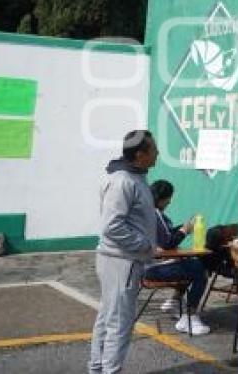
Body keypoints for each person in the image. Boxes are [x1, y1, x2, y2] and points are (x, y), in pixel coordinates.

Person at [89, 130, 158, 374]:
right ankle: (108, 370)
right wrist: (144, 245)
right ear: (140, 155)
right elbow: (112, 226)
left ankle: (98, 368)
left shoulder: (134, 177)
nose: (157, 153)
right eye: (153, 149)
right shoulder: (123, 182)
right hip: (121, 262)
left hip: (118, 261)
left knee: (108, 318)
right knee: (118, 324)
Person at [144, 180, 210, 335]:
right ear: (161, 198)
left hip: (144, 266)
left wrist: (182, 227)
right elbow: (168, 243)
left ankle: (174, 301)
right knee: (199, 270)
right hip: (152, 268)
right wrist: (185, 231)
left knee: (190, 265)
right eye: (169, 198)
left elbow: (165, 235)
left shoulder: (147, 212)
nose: (170, 202)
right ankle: (189, 317)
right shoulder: (155, 213)